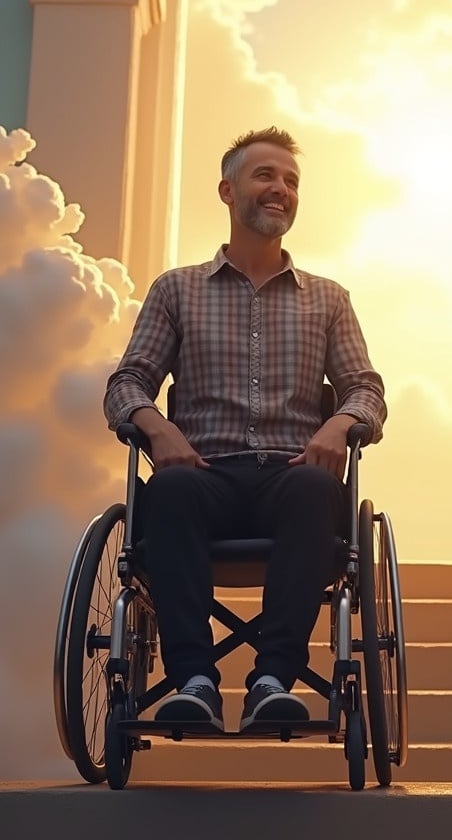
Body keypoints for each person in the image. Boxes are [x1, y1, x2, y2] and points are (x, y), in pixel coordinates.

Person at [104, 126, 386, 731]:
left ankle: (270, 681)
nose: (281, 189)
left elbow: (366, 388)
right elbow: (126, 383)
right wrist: (158, 428)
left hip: (292, 478)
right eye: (266, 175)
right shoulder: (176, 290)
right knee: (170, 492)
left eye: (291, 181)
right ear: (227, 191)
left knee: (317, 490)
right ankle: (195, 681)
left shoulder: (328, 299)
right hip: (202, 476)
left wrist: (339, 422)